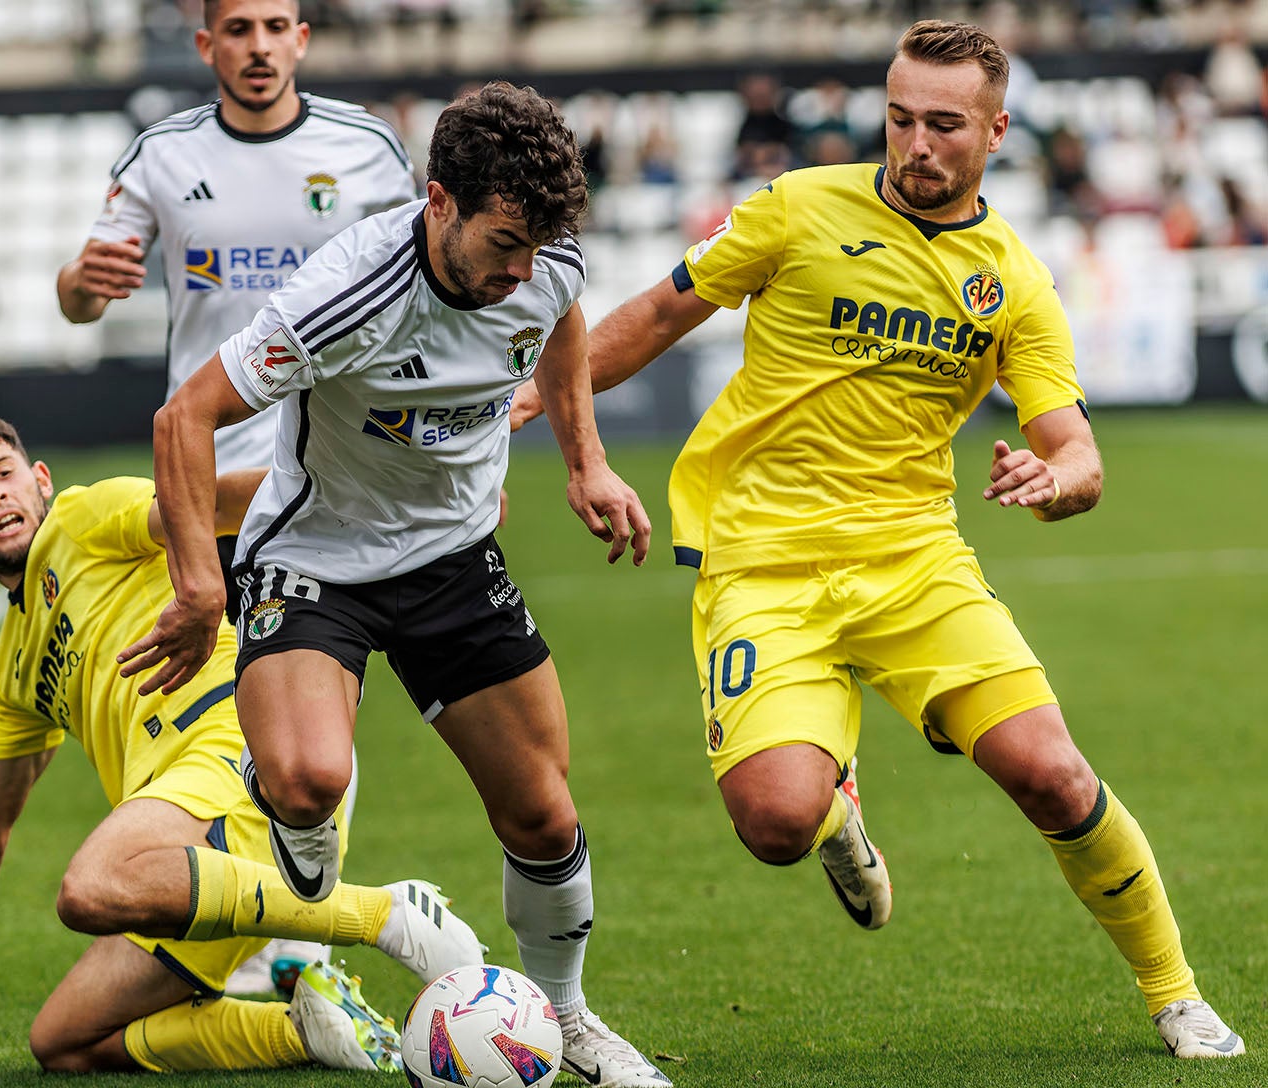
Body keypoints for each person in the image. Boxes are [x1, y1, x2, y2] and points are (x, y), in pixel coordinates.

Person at [512, 20, 1244, 1061]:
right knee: (772, 821)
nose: (917, 142)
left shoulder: (1013, 281)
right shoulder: (798, 208)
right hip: (764, 561)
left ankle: (1175, 992)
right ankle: (832, 807)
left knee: (1055, 775)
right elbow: (659, 313)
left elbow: (1075, 445)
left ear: (996, 131)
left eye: (945, 124)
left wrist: (1057, 479)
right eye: (901, 117)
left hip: (915, 564)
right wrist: (548, 407)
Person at [122, 81, 672, 1088]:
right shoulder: (344, 295)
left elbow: (564, 325)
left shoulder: (544, 259)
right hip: (317, 556)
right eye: (503, 240)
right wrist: (201, 586)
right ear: (438, 202)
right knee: (307, 780)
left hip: (454, 558)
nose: (521, 268)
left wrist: (586, 460)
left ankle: (568, 1014)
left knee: (545, 814)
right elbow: (182, 418)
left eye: (537, 244)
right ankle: (290, 813)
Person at [0, 411, 485, 1074]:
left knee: (92, 886)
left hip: (240, 755)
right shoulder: (12, 668)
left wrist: (382, 492)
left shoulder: (84, 517)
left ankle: (383, 915)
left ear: (40, 481)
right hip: (192, 864)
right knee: (64, 1043)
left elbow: (210, 502)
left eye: (2, 473)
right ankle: (307, 1031)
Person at [57, 0, 416, 991]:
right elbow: (82, 298)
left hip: (331, 468)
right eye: (239, 29)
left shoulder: (367, 151)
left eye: (276, 26)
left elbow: (422, 290)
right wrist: (82, 281)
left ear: (302, 39)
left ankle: (282, 915)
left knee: (295, 707)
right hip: (208, 479)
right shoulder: (162, 155)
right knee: (246, 708)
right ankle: (282, 914)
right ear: (206, 42)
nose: (259, 47)